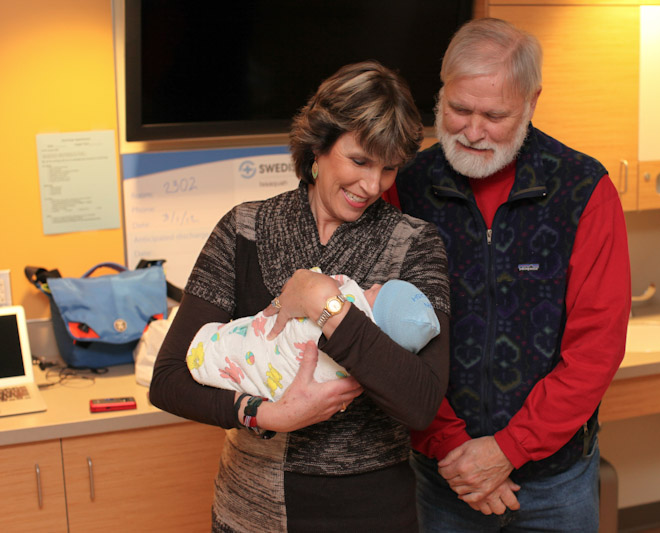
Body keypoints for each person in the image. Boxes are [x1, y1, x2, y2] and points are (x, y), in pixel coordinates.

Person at [149, 60, 451, 532]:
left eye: (389, 168)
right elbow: (168, 379)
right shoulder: (244, 229)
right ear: (318, 145)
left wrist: (325, 305)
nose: (373, 186)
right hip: (252, 511)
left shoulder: (414, 243)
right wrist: (269, 414)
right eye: (360, 161)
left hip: (371, 514)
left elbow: (421, 401)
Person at [390, 18, 631, 531]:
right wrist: (452, 446)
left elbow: (596, 347)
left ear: (532, 101)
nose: (473, 131)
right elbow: (387, 339)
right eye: (459, 109)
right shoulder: (404, 188)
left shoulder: (584, 189)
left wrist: (508, 449)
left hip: (556, 484)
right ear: (442, 92)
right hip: (443, 475)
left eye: (494, 115)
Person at [187, 275, 441, 402]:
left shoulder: (351, 306)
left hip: (269, 360)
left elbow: (306, 325)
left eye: (377, 292)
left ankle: (212, 354)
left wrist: (321, 297)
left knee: (248, 355)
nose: (372, 285)